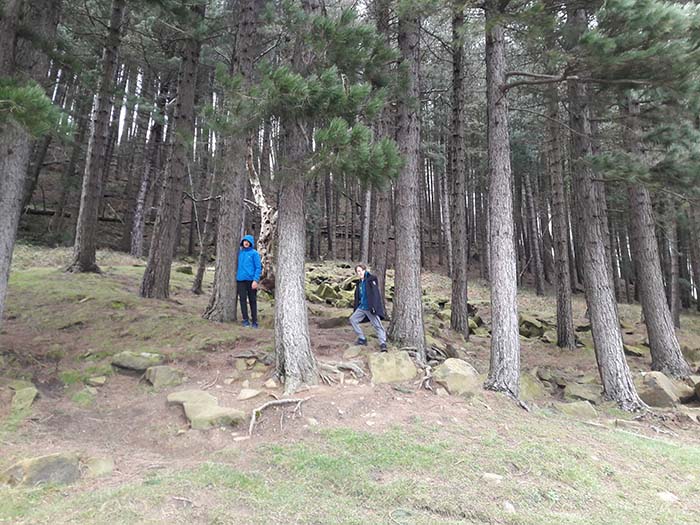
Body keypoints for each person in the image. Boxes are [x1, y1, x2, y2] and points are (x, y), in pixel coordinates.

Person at [349, 263, 387, 351]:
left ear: (364, 270)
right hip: (362, 307)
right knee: (353, 319)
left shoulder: (371, 279)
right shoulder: (359, 283)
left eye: (361, 271)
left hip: (370, 307)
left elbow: (375, 294)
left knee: (377, 325)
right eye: (357, 271)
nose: (359, 273)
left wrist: (374, 306)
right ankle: (362, 338)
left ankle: (383, 344)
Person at [237, 234, 262, 328]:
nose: (246, 243)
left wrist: (255, 280)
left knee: (252, 300)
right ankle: (245, 320)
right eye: (245, 241)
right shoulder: (240, 253)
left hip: (251, 281)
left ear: (251, 243)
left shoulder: (254, 253)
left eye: (248, 241)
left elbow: (258, 267)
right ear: (242, 242)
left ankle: (255, 321)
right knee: (242, 300)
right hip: (240, 280)